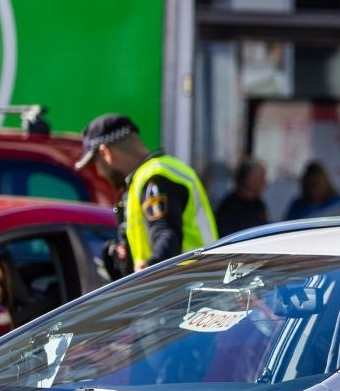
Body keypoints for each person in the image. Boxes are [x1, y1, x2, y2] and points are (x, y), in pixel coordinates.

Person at [76, 114, 218, 277]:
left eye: (96, 164)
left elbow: (166, 234)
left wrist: (151, 268)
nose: (100, 173)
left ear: (106, 152)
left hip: (189, 287)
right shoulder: (159, 172)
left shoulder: (155, 177)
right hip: (194, 283)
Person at [216, 158, 271, 236]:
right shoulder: (230, 207)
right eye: (262, 177)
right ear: (250, 180)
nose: (265, 182)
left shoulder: (258, 203)